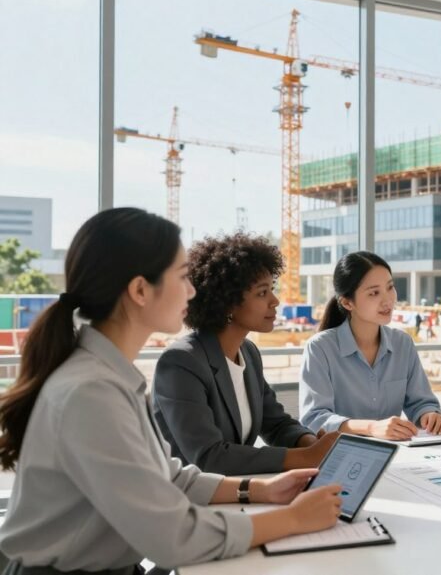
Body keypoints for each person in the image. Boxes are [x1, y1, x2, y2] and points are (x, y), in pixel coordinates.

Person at [0, 208, 340, 574]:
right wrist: (293, 520)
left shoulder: (111, 377)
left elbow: (171, 477)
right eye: (182, 277)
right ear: (140, 290)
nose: (192, 291)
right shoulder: (91, 391)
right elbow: (172, 535)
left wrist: (261, 489)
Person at [152, 233, 339, 475]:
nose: (275, 301)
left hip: (236, 492)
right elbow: (209, 457)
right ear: (228, 302)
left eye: (271, 289)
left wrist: (312, 444)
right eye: (262, 293)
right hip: (185, 501)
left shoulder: (248, 353)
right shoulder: (181, 363)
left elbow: (276, 423)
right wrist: (305, 457)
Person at [300, 251, 441, 440]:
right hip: (339, 455)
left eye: (390, 287)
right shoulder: (320, 348)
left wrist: (429, 415)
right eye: (374, 293)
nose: (388, 300)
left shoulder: (403, 344)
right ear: (347, 302)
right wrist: (371, 428)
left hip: (397, 454)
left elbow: (421, 402)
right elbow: (315, 419)